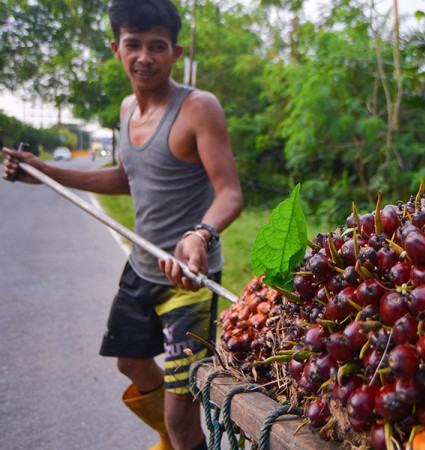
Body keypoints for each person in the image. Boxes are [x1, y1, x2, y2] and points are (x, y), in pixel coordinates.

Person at [1, 1, 243, 449]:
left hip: (186, 282)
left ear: (176, 51)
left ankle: (178, 437)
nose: (145, 57)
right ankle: (173, 440)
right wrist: (43, 172)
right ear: (117, 48)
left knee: (180, 412)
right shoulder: (128, 107)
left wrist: (199, 235)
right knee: (130, 362)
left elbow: (230, 192)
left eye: (157, 46)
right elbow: (125, 178)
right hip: (140, 269)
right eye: (133, 44)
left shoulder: (198, 108)